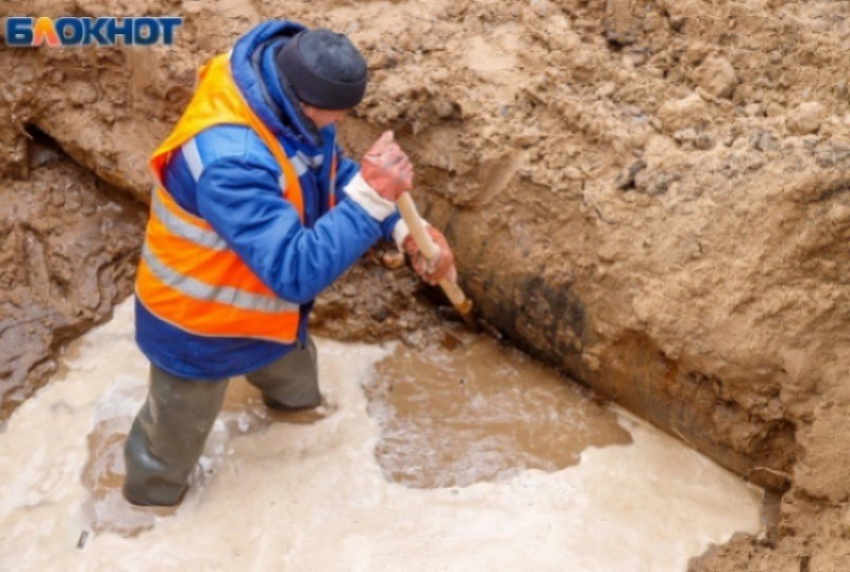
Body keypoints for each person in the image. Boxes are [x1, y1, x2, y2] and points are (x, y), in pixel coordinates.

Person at [123, 20, 456, 507]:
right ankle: (144, 517)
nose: (334, 126)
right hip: (196, 328)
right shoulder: (230, 160)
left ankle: (295, 420)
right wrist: (371, 199)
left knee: (299, 397)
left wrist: (406, 229)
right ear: (306, 102)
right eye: (333, 117)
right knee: (166, 452)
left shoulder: (282, 94)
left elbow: (331, 172)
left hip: (269, 318)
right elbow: (294, 271)